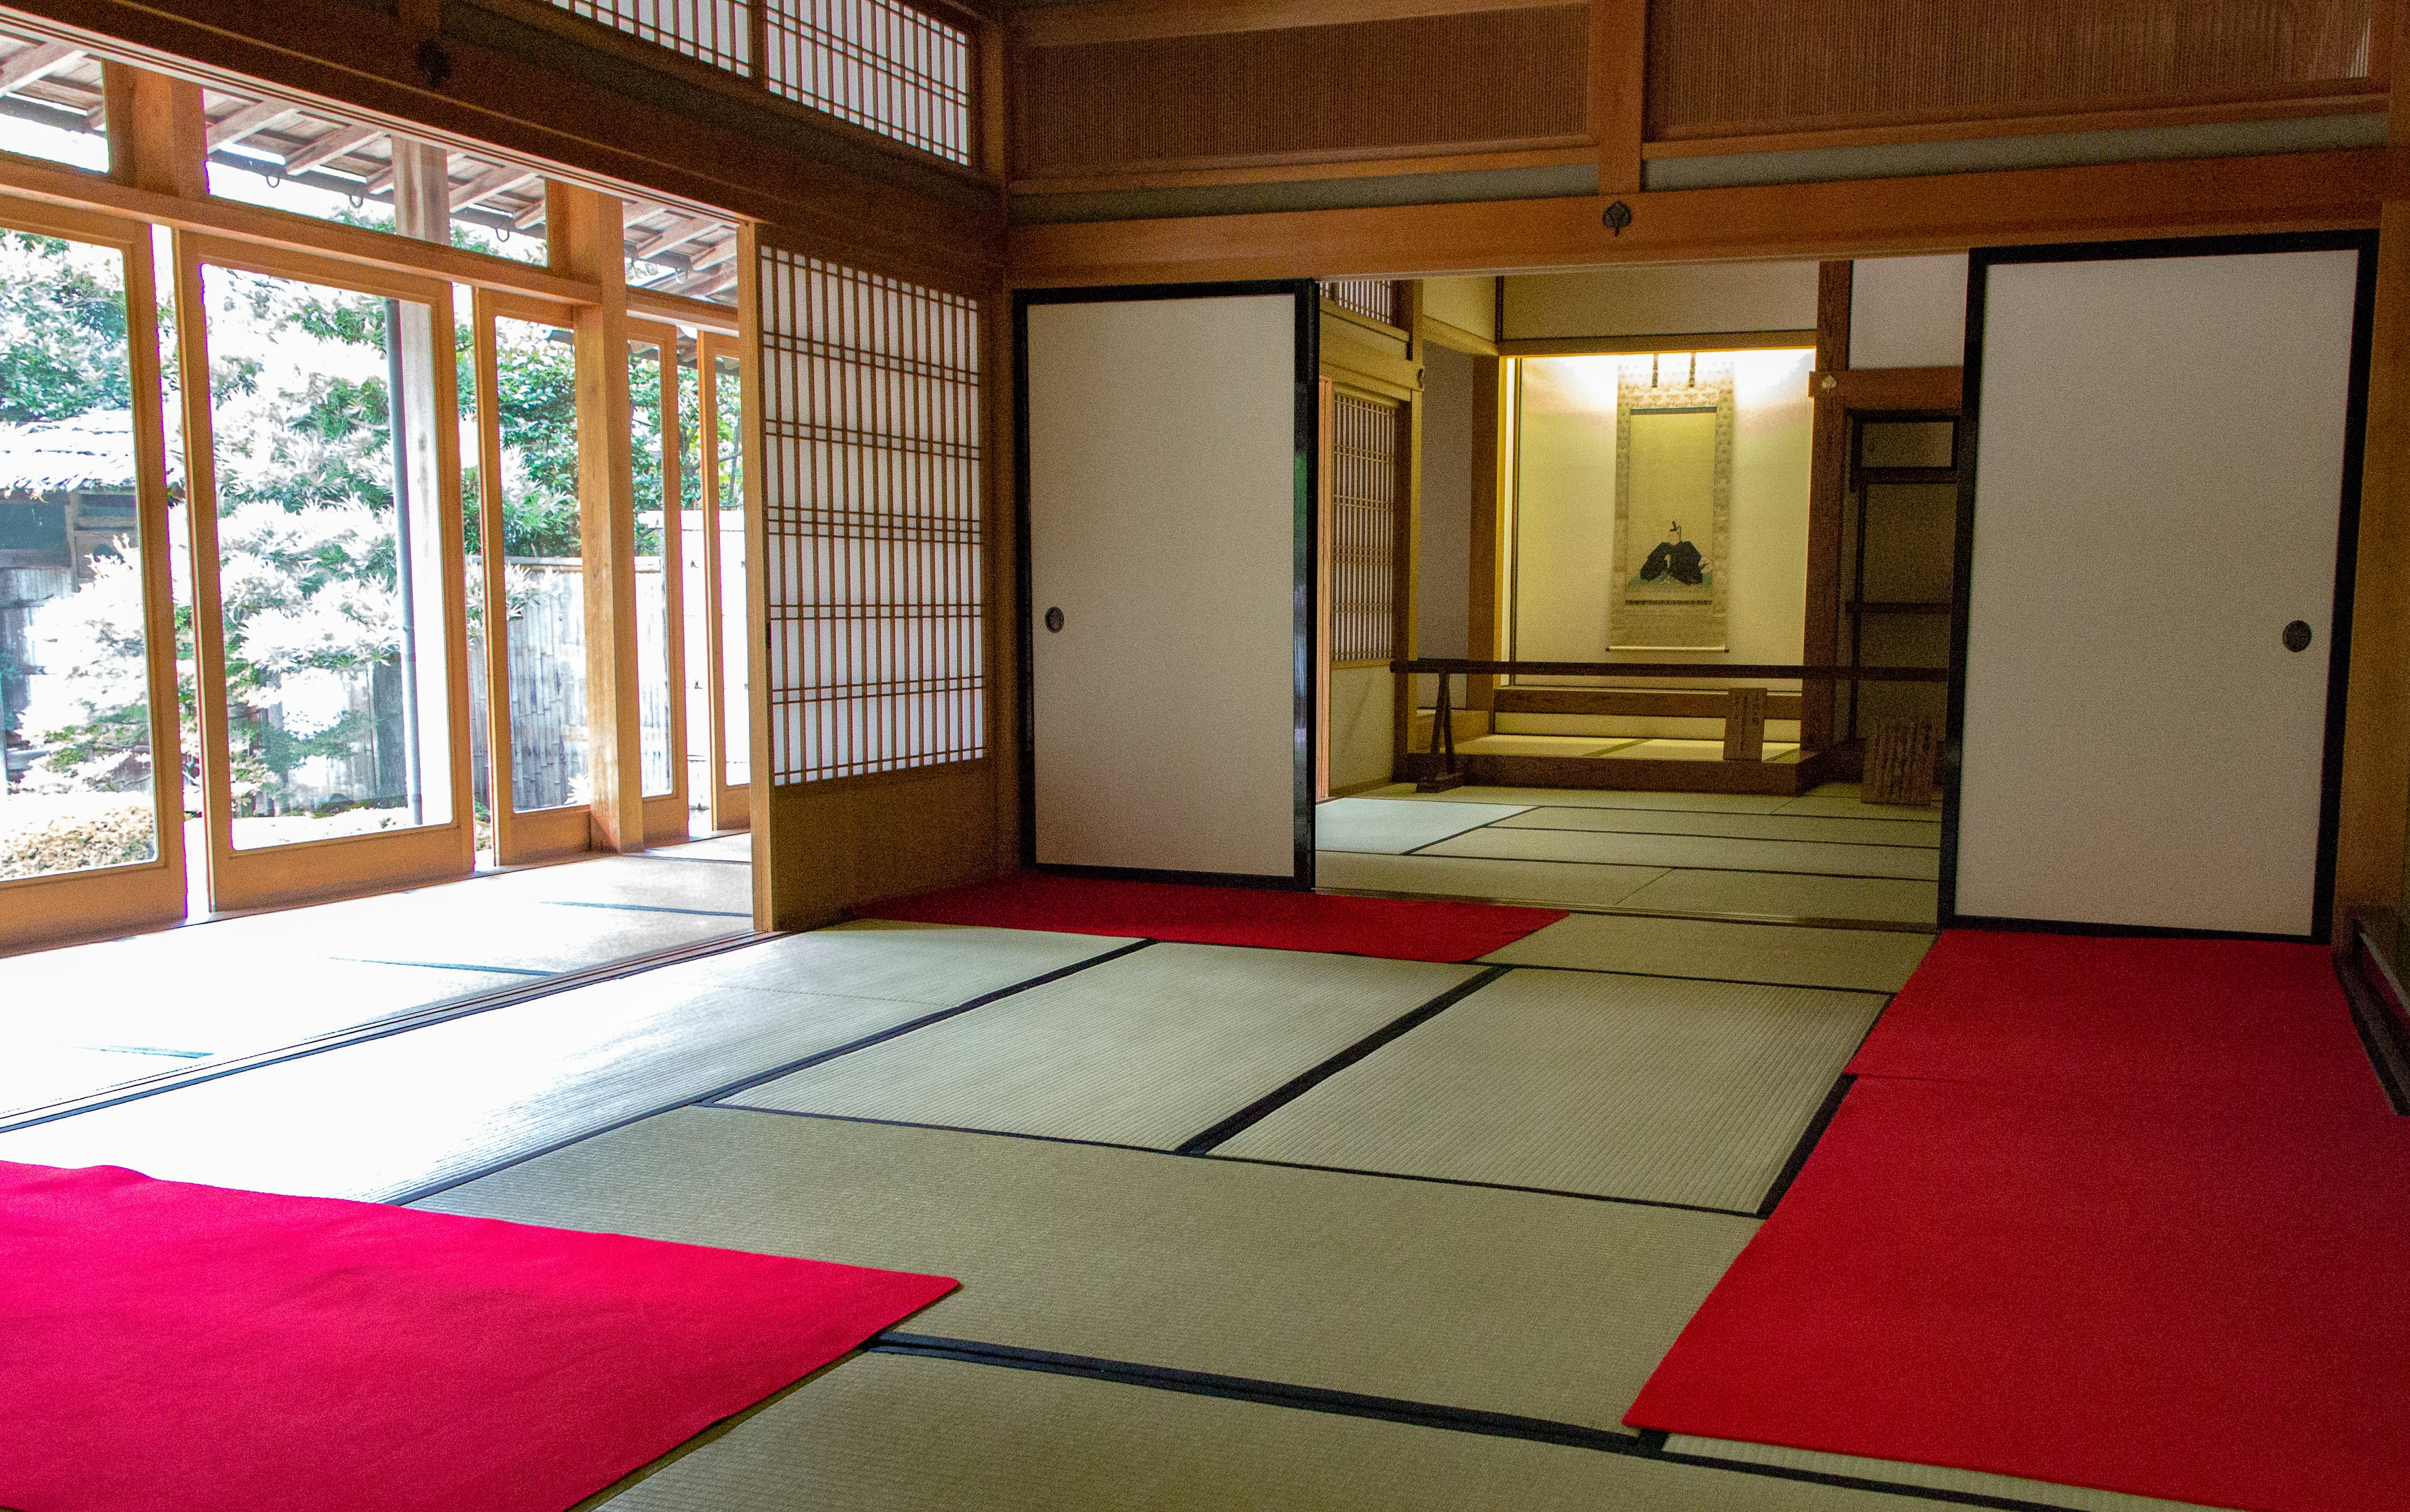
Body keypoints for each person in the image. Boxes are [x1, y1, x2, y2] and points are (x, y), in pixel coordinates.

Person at [1638, 520, 1708, 586]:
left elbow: (1697, 559)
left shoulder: (1687, 545)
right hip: (1666, 567)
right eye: (1670, 536)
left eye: (1673, 536)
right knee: (1647, 571)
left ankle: (1670, 574)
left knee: (1691, 574)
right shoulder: (1664, 546)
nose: (1671, 538)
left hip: (1679, 568)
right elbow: (1652, 559)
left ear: (1678, 536)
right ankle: (1664, 574)